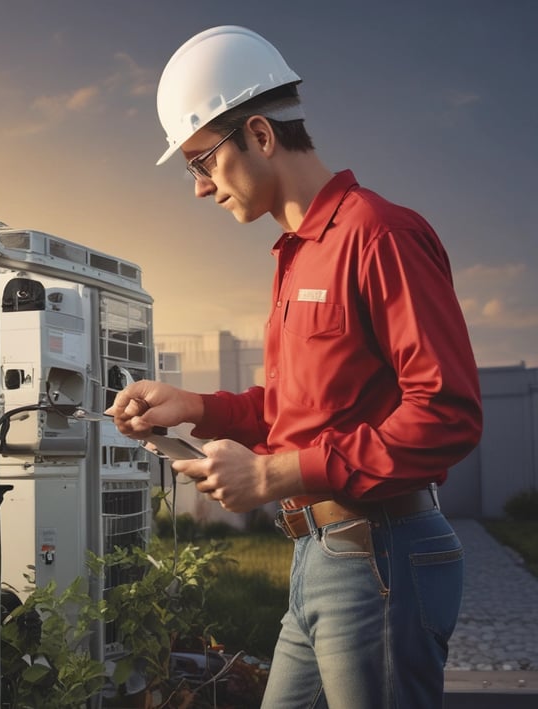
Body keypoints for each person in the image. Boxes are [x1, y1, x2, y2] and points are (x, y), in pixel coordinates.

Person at [105, 25, 483, 709]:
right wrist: (191, 405)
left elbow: (448, 412)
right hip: (320, 556)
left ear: (259, 133)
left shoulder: (379, 234)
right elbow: (291, 413)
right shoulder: (297, 254)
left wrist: (275, 473)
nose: (198, 188)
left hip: (382, 554)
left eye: (202, 162)